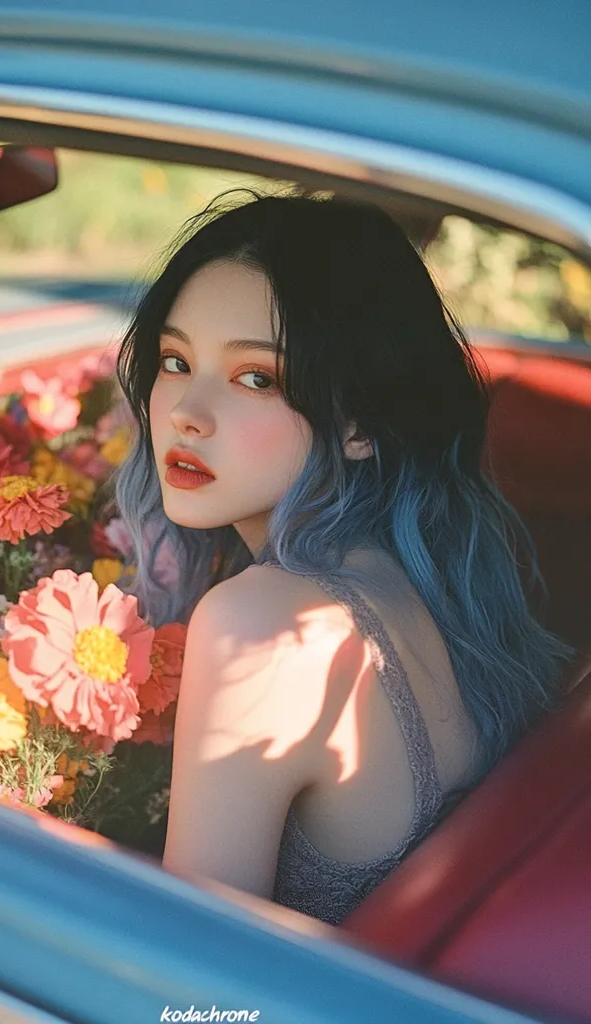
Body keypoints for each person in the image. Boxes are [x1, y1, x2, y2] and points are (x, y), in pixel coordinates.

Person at [113, 191, 571, 926]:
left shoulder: (260, 624)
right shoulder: (420, 575)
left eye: (257, 378)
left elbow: (188, 959)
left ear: (360, 425)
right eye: (175, 360)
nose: (186, 414)